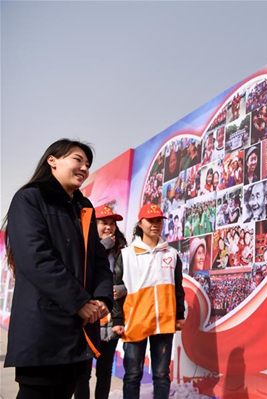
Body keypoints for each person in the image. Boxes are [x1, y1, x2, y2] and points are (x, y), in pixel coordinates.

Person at [3, 139, 113, 399]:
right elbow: (36, 259)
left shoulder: (84, 208)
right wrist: (79, 302)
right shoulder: (29, 198)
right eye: (78, 159)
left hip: (78, 330)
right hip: (42, 329)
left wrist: (102, 298)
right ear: (52, 160)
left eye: (88, 164)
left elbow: (98, 259)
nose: (84, 168)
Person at [112, 204, 186, 399]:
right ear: (141, 223)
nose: (155, 225)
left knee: (162, 375)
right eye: (150, 220)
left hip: (164, 322)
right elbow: (116, 290)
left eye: (159, 220)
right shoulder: (126, 255)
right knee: (133, 375)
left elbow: (178, 288)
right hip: (135, 321)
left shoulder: (172, 254)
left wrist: (180, 315)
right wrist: (118, 320)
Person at [75, 206, 128, 399]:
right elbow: (78, 275)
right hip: (87, 318)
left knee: (105, 370)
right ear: (93, 224)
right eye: (103, 222)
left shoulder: (122, 251)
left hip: (110, 318)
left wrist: (121, 290)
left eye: (112, 223)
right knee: (83, 372)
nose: (109, 227)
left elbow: (131, 281)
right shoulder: (81, 247)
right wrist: (101, 247)